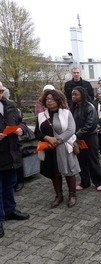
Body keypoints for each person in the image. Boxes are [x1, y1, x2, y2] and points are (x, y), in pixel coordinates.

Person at [34, 89, 81, 208]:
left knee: (69, 171)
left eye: (52, 99)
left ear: (58, 100)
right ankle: (59, 196)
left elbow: (71, 130)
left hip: (64, 147)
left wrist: (58, 140)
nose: (49, 101)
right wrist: (47, 139)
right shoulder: (41, 115)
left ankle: (72, 195)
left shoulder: (66, 113)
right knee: (54, 172)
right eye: (47, 99)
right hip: (49, 148)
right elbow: (37, 133)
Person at [0, 82, 30, 238]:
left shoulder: (10, 105)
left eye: (1, 90)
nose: (0, 93)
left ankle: (10, 210)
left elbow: (22, 123)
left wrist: (21, 129)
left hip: (12, 154)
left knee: (9, 185)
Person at [70, 86, 101, 191]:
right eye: (72, 94)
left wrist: (77, 134)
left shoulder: (89, 107)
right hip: (77, 138)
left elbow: (91, 124)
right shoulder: (73, 107)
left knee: (92, 160)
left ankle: (99, 181)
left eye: (76, 94)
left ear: (82, 95)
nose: (73, 96)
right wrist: (74, 135)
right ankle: (84, 182)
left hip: (90, 137)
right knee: (81, 160)